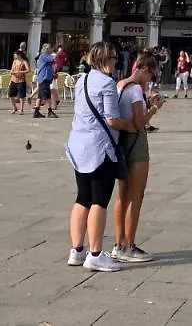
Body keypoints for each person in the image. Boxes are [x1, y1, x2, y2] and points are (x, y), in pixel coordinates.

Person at [65, 42, 134, 273]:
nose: (117, 62)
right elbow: (112, 119)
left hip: (78, 145)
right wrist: (130, 125)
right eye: (114, 58)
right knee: (99, 200)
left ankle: (77, 250)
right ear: (106, 59)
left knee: (82, 197)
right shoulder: (106, 83)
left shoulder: (81, 80)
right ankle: (95, 254)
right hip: (99, 149)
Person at [112, 52, 160, 263]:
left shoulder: (120, 85)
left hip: (121, 141)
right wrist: (155, 109)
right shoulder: (135, 90)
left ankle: (118, 242)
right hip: (136, 143)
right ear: (141, 68)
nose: (150, 79)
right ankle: (129, 245)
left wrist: (145, 103)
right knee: (136, 195)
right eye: (150, 74)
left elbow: (127, 115)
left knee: (122, 195)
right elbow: (141, 123)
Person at [33, 44, 59, 119]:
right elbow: (54, 59)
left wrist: (53, 73)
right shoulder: (44, 56)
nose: (51, 50)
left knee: (40, 96)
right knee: (47, 96)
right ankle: (49, 111)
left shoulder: (45, 56)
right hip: (44, 79)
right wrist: (58, 52)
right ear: (47, 49)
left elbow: (53, 64)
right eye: (50, 49)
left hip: (45, 79)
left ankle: (36, 112)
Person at [9, 49, 31, 115]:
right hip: (13, 79)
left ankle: (21, 109)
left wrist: (20, 72)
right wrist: (12, 72)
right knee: (11, 94)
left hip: (21, 80)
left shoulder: (24, 62)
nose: (15, 56)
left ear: (19, 55)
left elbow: (28, 70)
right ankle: (14, 107)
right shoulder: (14, 61)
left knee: (21, 95)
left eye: (16, 55)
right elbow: (12, 69)